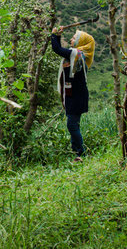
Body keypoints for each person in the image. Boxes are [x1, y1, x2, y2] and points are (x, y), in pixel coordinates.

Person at [51, 25, 95, 161]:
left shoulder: (76, 55)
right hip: (75, 95)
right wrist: (57, 36)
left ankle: (80, 152)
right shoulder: (77, 55)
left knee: (71, 124)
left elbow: (57, 49)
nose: (71, 39)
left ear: (81, 42)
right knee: (73, 124)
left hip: (76, 96)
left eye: (74, 38)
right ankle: (75, 150)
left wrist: (54, 35)